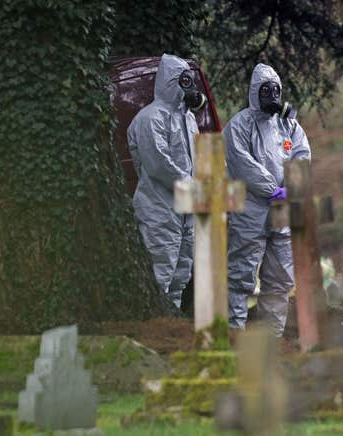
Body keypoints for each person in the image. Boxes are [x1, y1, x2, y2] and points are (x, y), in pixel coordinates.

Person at [224, 63, 311, 336]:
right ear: (254, 92)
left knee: (280, 277)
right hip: (251, 209)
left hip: (284, 209)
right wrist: (271, 189)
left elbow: (302, 157)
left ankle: (273, 339)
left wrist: (291, 190)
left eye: (276, 90)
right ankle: (234, 333)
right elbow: (242, 163)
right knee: (241, 273)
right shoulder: (239, 125)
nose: (272, 95)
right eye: (266, 90)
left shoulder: (290, 126)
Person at [127, 53, 206, 308]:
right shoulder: (150, 118)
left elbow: (196, 157)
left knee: (182, 272)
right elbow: (158, 163)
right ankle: (156, 326)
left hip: (185, 207)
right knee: (161, 268)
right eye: (184, 81)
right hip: (159, 207)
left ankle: (170, 324)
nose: (190, 87)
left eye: (190, 81)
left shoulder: (189, 119)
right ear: (171, 82)